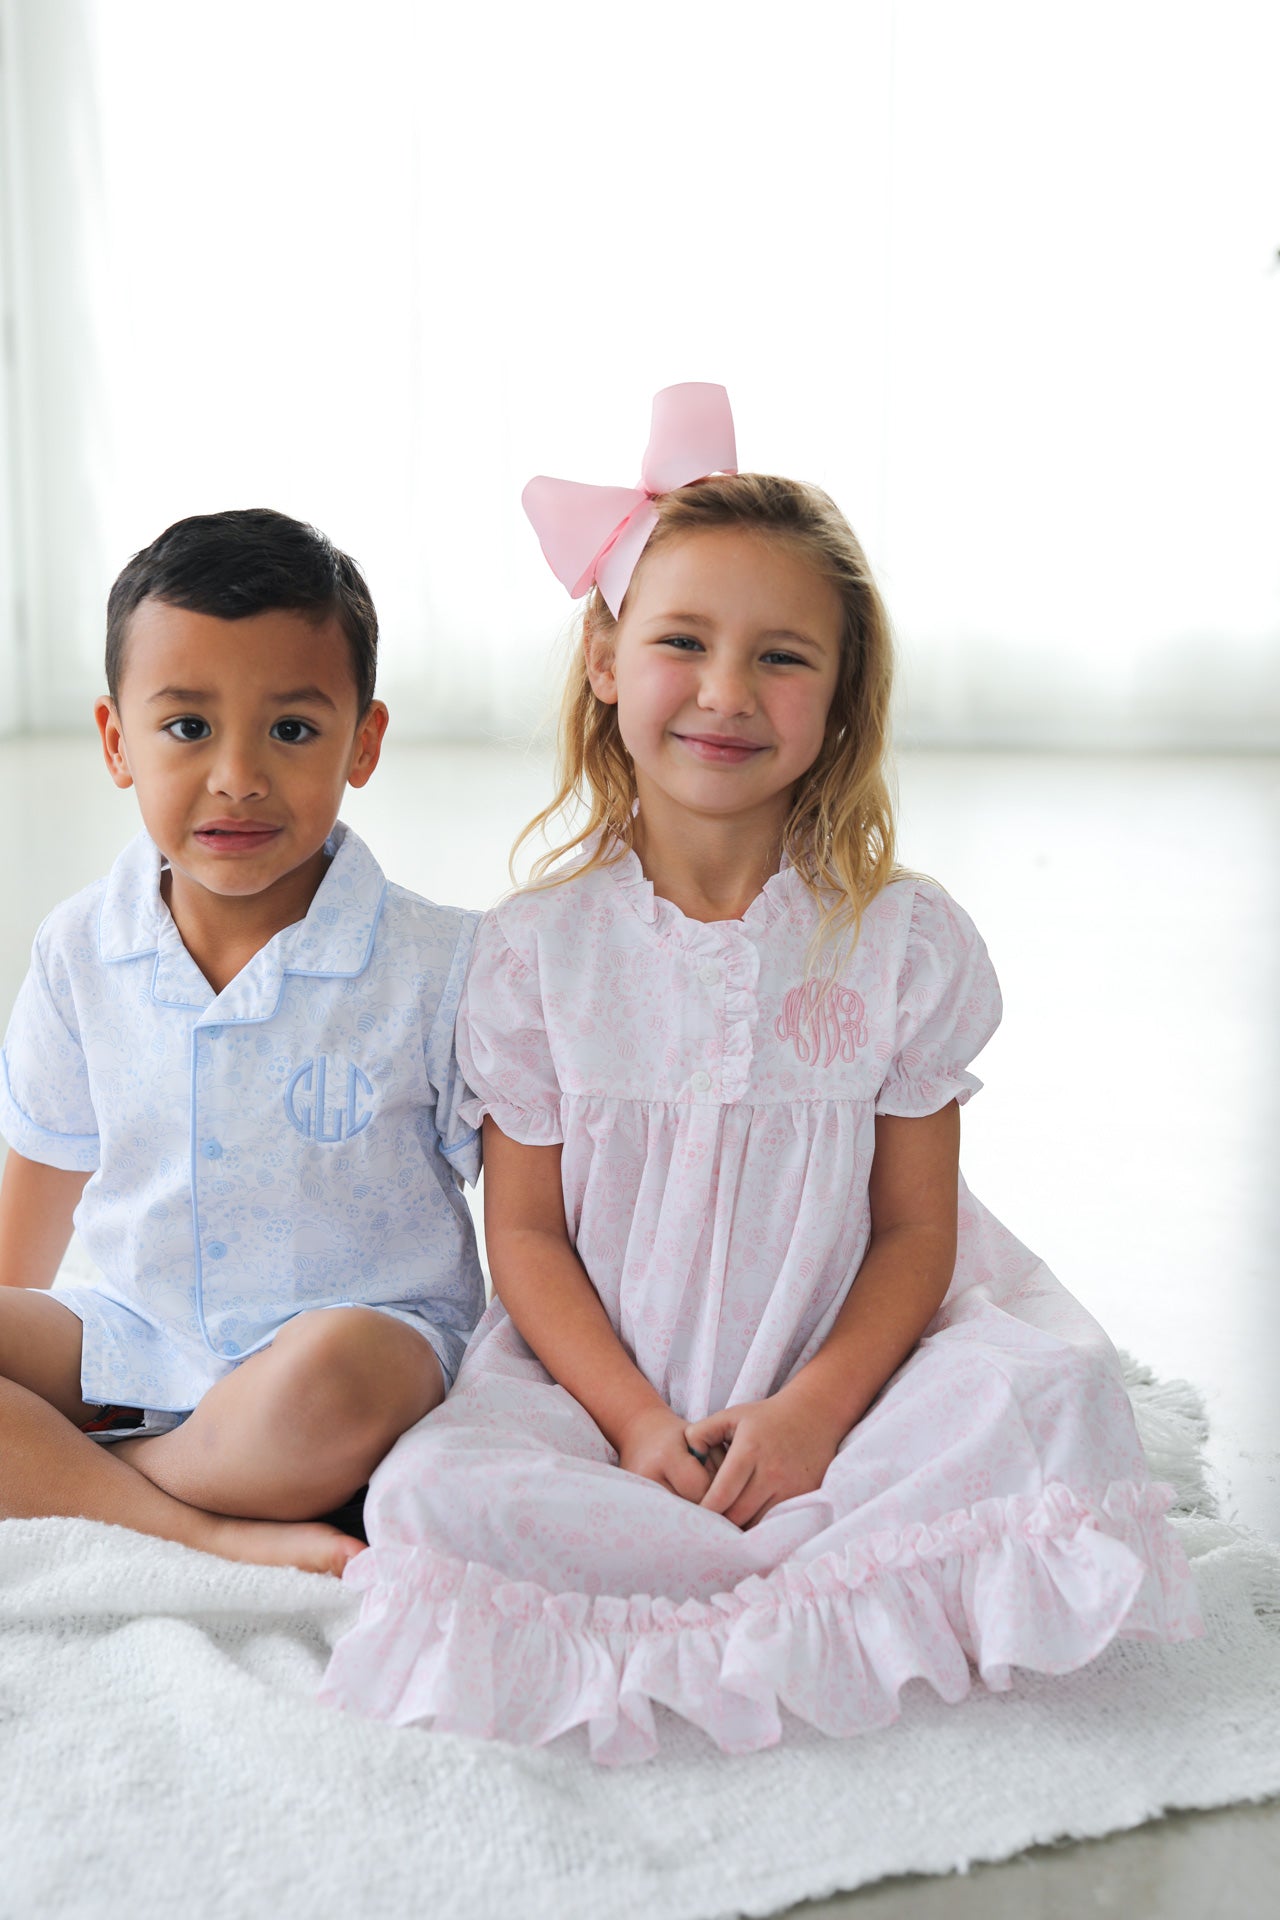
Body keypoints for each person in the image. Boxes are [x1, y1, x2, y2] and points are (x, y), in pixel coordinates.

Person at [321, 386, 1201, 1758]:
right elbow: (530, 1239)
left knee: (1050, 1396)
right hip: (603, 1396)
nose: (729, 692)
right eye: (684, 641)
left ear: (842, 696)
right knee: (435, 1496)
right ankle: (780, 1580)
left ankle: (759, 1554)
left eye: (782, 657)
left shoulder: (900, 944)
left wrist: (808, 1418)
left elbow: (916, 1230)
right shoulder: (536, 955)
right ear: (608, 663)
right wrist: (631, 1427)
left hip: (851, 1382)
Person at [0, 509, 484, 1576]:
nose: (236, 775)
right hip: (133, 1331)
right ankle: (193, 1518)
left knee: (331, 1381)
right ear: (117, 740)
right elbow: (35, 1191)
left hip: (353, 1341)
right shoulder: (83, 947)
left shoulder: (439, 964)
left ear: (363, 742)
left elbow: (545, 1208)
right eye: (186, 728)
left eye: (293, 730)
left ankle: (83, 1481)